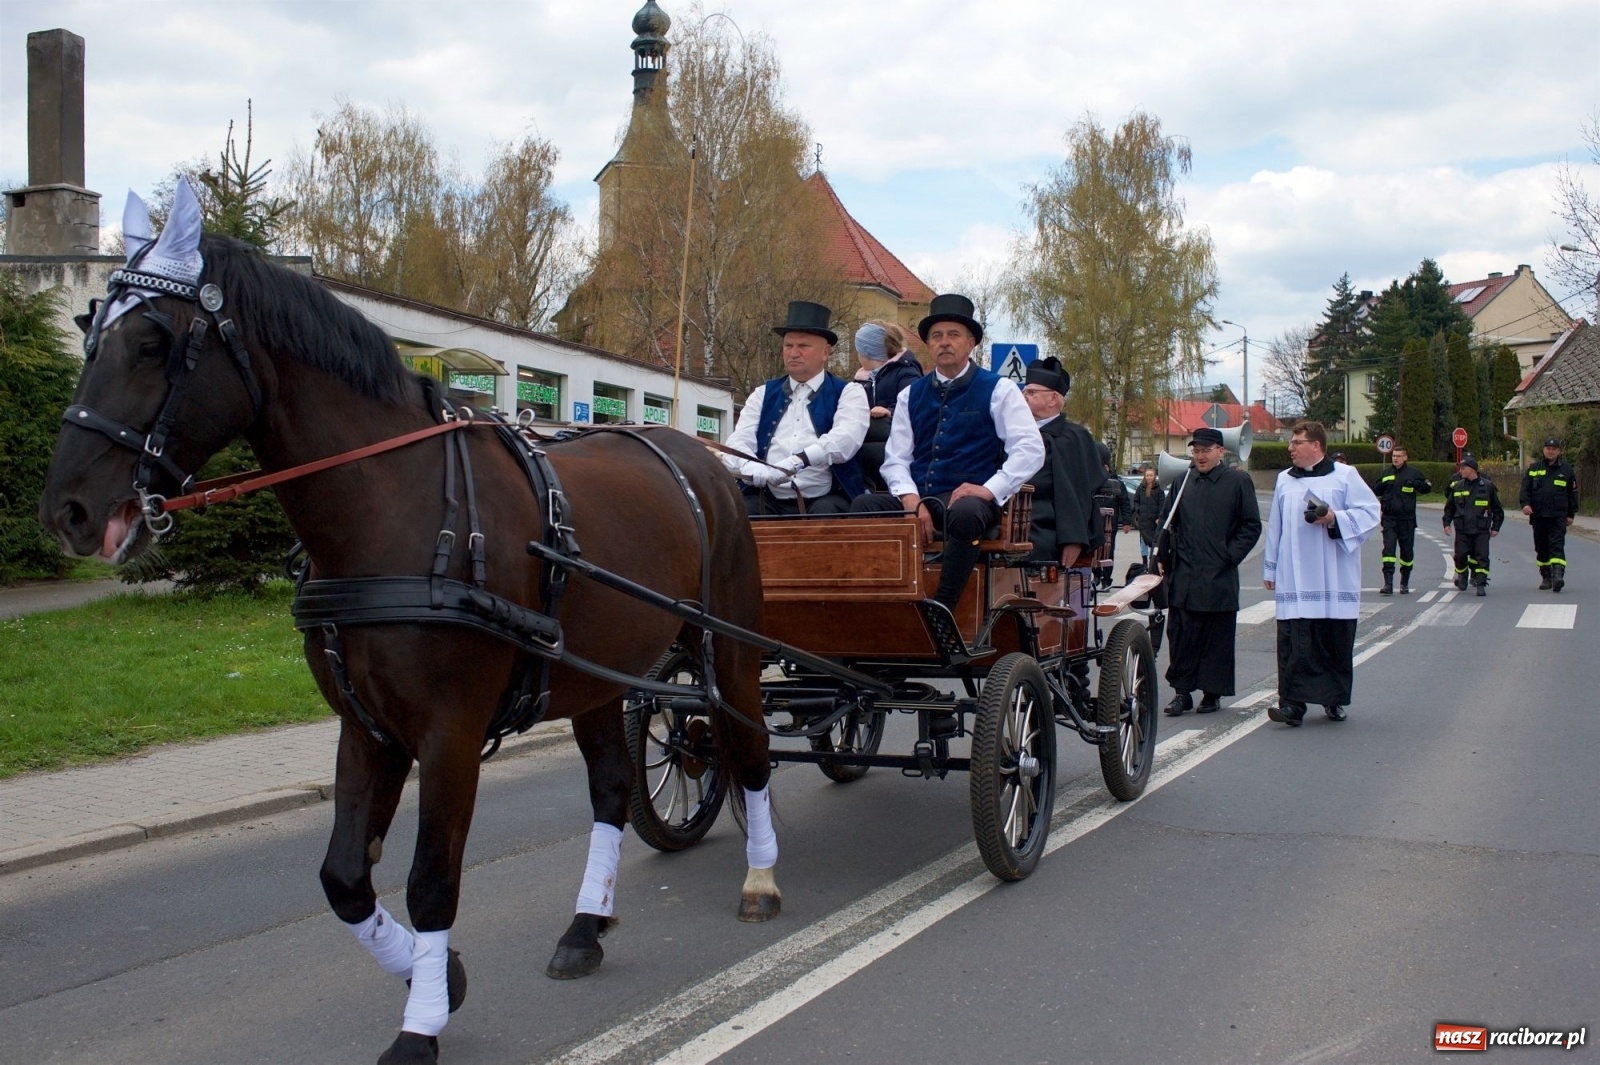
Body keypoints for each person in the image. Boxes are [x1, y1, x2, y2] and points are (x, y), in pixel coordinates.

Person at [850, 293, 1044, 610]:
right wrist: (910, 500)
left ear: (971, 343)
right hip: (920, 496)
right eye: (937, 336)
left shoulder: (999, 389)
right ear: (928, 344)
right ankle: (877, 605)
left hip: (969, 501)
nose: (944, 342)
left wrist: (988, 489)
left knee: (965, 513)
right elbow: (896, 459)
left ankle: (944, 606)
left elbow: (1030, 449)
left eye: (953, 335)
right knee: (863, 506)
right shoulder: (911, 394)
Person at [1263, 421, 1381, 726]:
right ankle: (1292, 704)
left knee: (1332, 640)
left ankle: (1333, 699)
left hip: (1333, 575)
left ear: (1316, 445)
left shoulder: (1344, 476)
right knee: (1294, 643)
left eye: (1297, 442)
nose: (1290, 447)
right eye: (1291, 442)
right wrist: (1271, 567)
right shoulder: (1284, 480)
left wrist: (1333, 518)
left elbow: (1370, 512)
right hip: (1294, 576)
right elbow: (1275, 525)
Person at [722, 301, 869, 516]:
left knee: (826, 517)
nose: (793, 353)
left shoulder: (849, 393)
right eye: (788, 346)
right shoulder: (762, 394)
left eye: (803, 346)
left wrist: (800, 460)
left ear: (826, 352)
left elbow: (845, 439)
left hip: (826, 497)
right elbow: (738, 440)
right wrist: (749, 466)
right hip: (767, 496)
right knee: (737, 515)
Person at [1157, 428, 1262, 716]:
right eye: (1196, 451)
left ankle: (1211, 693)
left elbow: (1251, 525)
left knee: (1216, 637)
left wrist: (1229, 556)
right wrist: (1161, 556)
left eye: (1206, 450)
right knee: (1180, 635)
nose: (1200, 456)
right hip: (1185, 575)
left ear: (1220, 451)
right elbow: (1167, 522)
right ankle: (1181, 693)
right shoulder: (1183, 481)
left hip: (1218, 576)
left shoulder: (1238, 481)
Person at [1019, 355, 1103, 568]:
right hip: (1009, 520)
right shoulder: (1012, 431)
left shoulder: (1075, 437)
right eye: (1023, 391)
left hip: (1048, 529)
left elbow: (1079, 493)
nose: (1023, 396)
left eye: (1031, 392)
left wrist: (1073, 538)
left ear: (1053, 399)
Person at [852, 320, 925, 492]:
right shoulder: (862, 379)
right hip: (871, 436)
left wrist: (890, 411)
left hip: (894, 436)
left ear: (869, 353)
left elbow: (914, 402)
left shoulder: (905, 372)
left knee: (870, 453)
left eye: (860, 352)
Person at [1519, 436, 1577, 592]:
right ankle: (1546, 576)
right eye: (1548, 448)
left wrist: (1571, 514)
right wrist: (1525, 505)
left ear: (1558, 451)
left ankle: (1558, 576)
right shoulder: (1534, 469)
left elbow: (1572, 494)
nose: (1550, 451)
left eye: (1554, 449)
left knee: (1557, 545)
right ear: (1544, 450)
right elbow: (1525, 491)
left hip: (1558, 516)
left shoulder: (1566, 470)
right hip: (1538, 516)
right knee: (1541, 547)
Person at [1443, 454, 1504, 596]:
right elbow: (1449, 508)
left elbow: (1497, 509)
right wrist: (1446, 523)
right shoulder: (1457, 487)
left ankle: (1481, 583)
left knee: (1482, 557)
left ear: (1472, 470)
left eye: (1463, 468)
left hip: (1481, 529)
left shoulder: (1487, 486)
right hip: (1462, 529)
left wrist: (1495, 527)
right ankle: (1463, 574)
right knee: (1460, 556)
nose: (1461, 471)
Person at [1376, 445, 1432, 595]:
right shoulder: (1386, 473)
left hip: (1407, 520)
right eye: (1394, 456)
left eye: (1399, 456)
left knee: (1406, 553)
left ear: (1405, 457)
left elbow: (1427, 487)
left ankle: (1404, 583)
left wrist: (1416, 484)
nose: (1395, 458)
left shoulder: (1413, 473)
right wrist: (1382, 485)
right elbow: (1375, 489)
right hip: (1389, 519)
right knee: (1388, 551)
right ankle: (1388, 584)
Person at [1092, 443, 1132, 590]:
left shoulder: (1117, 484)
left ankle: (1107, 578)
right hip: (1095, 522)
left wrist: (1127, 521)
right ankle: (1096, 575)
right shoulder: (1093, 482)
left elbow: (1125, 504)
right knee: (1094, 550)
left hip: (1110, 523)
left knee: (1108, 551)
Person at [1132, 466, 1164, 567]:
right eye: (1147, 475)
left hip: (1154, 520)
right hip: (1143, 520)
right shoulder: (1140, 488)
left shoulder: (1159, 489)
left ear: (1154, 476)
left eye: (1151, 475)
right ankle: (1144, 562)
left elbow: (1162, 504)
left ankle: (1153, 561)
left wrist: (1159, 517)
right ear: (1144, 477)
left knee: (1153, 541)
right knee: (1143, 542)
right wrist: (1138, 509)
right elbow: (1136, 501)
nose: (1149, 477)